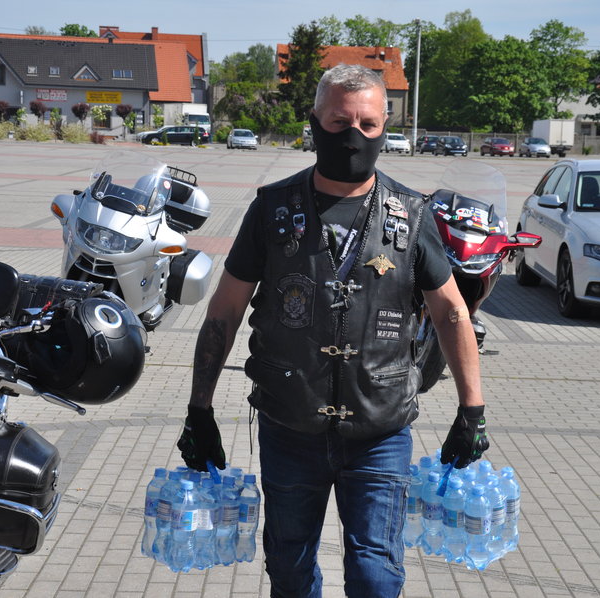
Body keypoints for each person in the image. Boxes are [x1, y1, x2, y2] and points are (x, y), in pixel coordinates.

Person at [177, 64, 488, 598]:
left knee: (375, 576)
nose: (354, 135)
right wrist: (199, 409)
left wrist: (472, 410)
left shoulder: (412, 215)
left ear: (385, 127)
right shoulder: (272, 210)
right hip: (289, 425)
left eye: (369, 124)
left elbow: (452, 314)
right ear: (315, 122)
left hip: (380, 432)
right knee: (290, 571)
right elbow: (223, 313)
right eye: (340, 122)